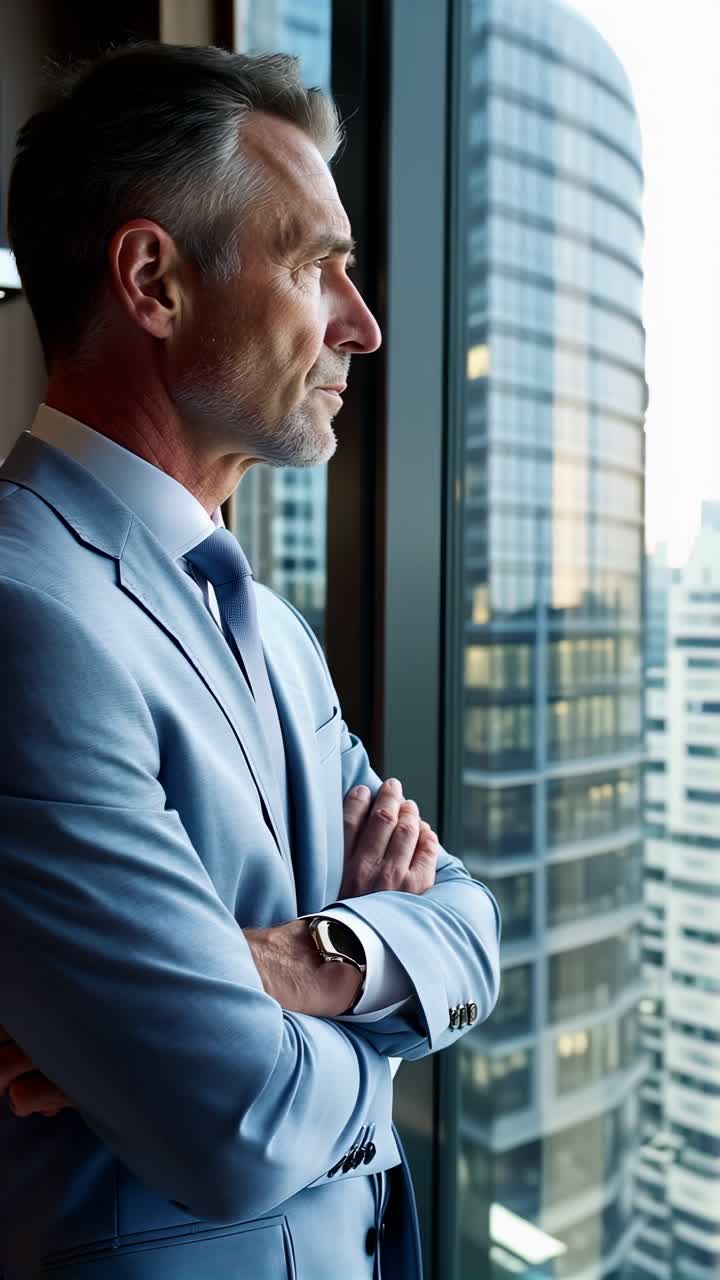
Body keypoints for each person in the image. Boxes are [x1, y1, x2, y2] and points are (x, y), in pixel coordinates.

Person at [0, 43, 500, 1280]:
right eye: (316, 264)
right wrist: (377, 968)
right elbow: (237, 1123)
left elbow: (477, 927)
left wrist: (296, 956)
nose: (365, 325)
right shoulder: (26, 618)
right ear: (154, 280)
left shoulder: (275, 631)